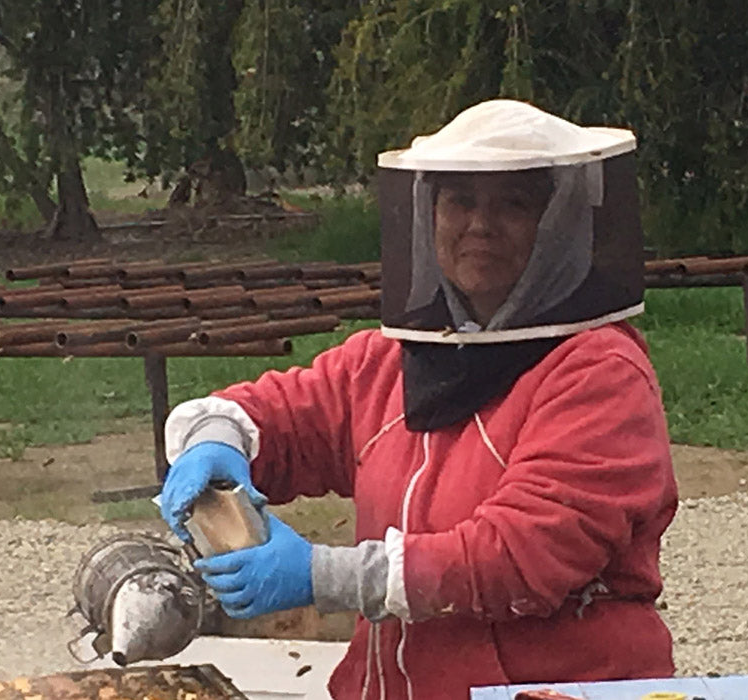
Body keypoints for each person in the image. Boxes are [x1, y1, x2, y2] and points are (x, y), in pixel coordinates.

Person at [158, 99, 678, 700]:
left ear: (557, 223)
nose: (480, 225)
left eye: (513, 203)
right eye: (460, 200)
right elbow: (285, 413)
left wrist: (325, 576)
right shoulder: (390, 358)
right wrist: (218, 438)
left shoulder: (599, 372)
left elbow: (521, 555)